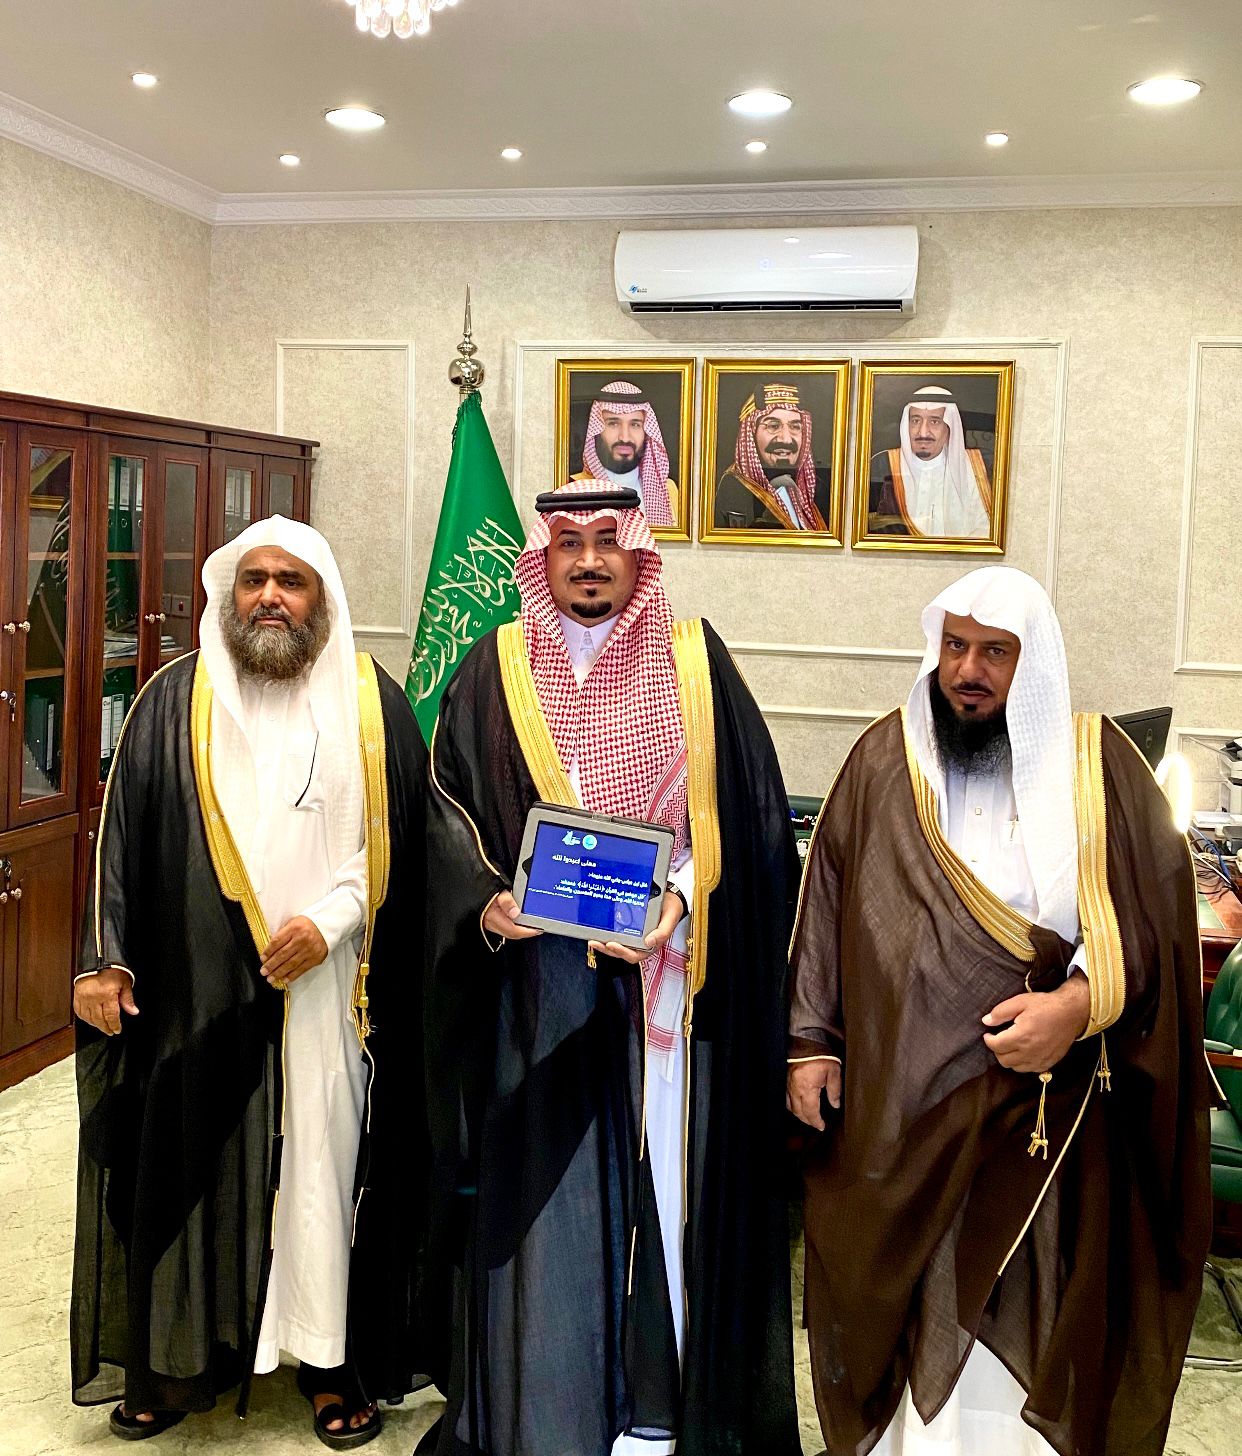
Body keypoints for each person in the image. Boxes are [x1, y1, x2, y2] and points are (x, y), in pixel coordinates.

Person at [788, 566, 1212, 1456]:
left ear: (1035, 663)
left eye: (994, 653)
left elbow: (1153, 925)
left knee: (1028, 1309)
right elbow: (825, 905)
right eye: (954, 647)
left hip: (1046, 1112)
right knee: (903, 1310)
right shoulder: (884, 760)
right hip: (902, 1102)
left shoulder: (1099, 769)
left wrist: (1079, 1005)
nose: (967, 671)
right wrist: (810, 1044)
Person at [425, 479, 801, 1456]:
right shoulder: (493, 668)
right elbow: (443, 813)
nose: (588, 560)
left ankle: (660, 1411)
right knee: (548, 1207)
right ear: (542, 559)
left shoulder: (694, 664)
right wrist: (487, 903)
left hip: (668, 990)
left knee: (666, 1194)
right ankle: (549, 1410)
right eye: (569, 543)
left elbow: (753, 822)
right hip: (535, 999)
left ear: (639, 554)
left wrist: (675, 900)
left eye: (607, 540)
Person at [71, 517, 434, 1446]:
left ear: (323, 600)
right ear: (228, 596)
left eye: (292, 581)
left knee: (321, 1173)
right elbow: (121, 839)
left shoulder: (370, 703)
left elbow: (401, 841)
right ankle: (181, 1361)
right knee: (188, 1168)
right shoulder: (171, 699)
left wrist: (332, 922)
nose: (271, 596)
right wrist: (104, 960)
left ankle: (327, 1361)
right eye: (254, 579)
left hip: (330, 993)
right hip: (192, 990)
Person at [867, 383, 992, 538]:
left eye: (934, 421)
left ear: (949, 427)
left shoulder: (976, 467)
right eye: (915, 421)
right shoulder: (883, 464)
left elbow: (985, 531)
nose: (923, 432)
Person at [714, 381, 832, 531]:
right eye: (773, 426)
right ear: (752, 433)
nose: (786, 439)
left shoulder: (820, 488)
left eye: (795, 427)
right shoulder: (734, 488)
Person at [573, 379, 679, 527]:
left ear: (646, 433)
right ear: (596, 431)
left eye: (635, 424)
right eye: (613, 423)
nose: (625, 437)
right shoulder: (574, 488)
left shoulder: (668, 490)